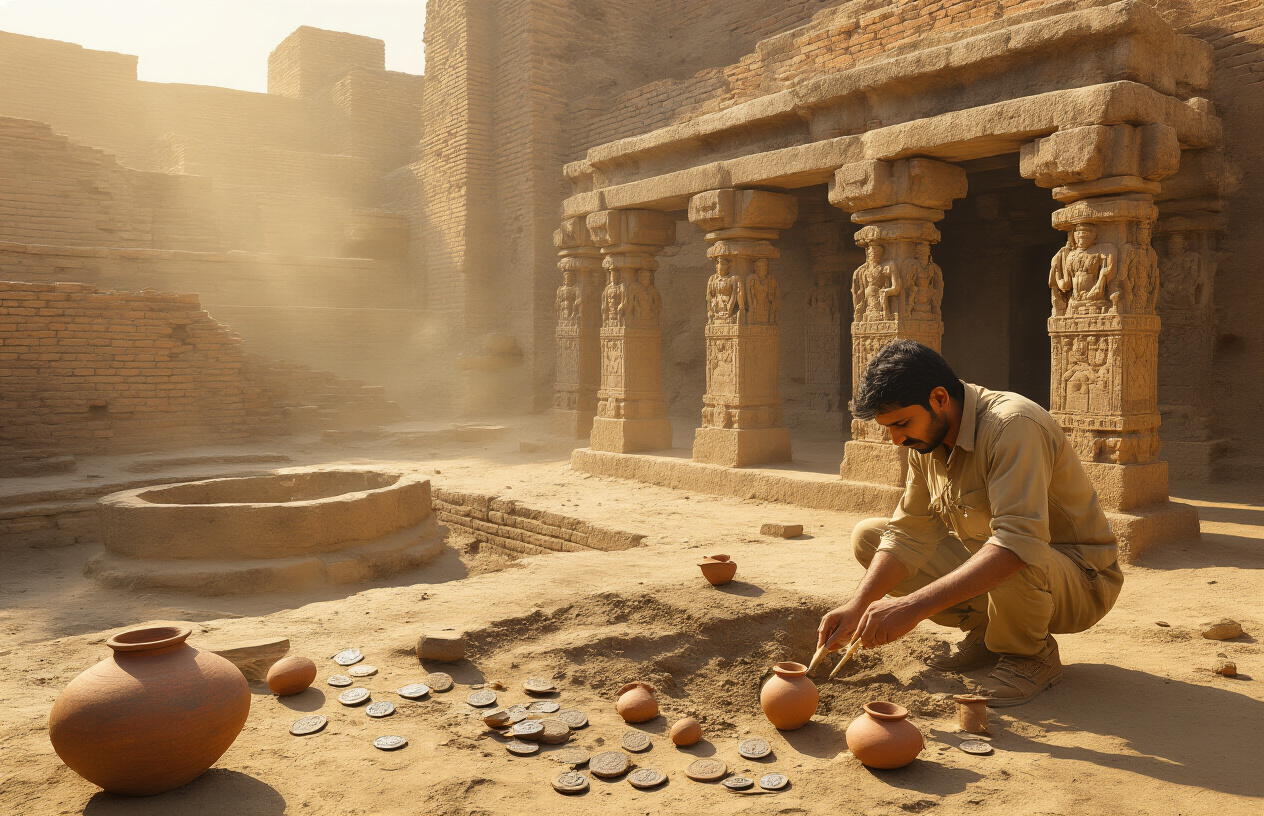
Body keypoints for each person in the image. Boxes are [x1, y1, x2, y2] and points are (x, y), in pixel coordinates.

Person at [818, 340, 1123, 706]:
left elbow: (1019, 543)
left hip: (1081, 580)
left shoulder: (1012, 426)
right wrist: (857, 606)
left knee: (1014, 549)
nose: (897, 439)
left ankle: (1030, 656)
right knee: (870, 537)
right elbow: (906, 532)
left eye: (901, 423)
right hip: (1013, 563)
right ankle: (989, 632)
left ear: (940, 398)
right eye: (889, 428)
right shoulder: (927, 442)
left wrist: (910, 608)